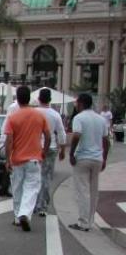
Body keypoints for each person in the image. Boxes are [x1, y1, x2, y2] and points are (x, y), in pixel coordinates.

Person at [4, 86, 51, 232]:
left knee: (17, 187)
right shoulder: (39, 115)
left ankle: (18, 217)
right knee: (31, 188)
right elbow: (48, 136)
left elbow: (9, 140)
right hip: (34, 158)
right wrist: (44, 151)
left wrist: (7, 159)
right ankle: (25, 213)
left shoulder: (13, 117)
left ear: (17, 99)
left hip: (17, 159)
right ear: (29, 98)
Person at [68, 93, 110, 231]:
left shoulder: (79, 118)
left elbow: (77, 135)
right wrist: (104, 157)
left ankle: (83, 221)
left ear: (80, 104)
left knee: (82, 190)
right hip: (97, 158)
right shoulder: (101, 119)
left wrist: (72, 153)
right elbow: (106, 140)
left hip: (83, 158)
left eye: (76, 103)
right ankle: (90, 221)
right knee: (93, 190)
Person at [34, 89, 67, 217]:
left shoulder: (34, 113)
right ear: (50, 100)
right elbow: (61, 133)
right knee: (46, 177)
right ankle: (43, 206)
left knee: (34, 177)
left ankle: (33, 203)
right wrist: (63, 149)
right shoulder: (55, 114)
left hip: (34, 148)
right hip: (51, 148)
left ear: (39, 99)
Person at [0, 100, 20, 197]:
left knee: (9, 165)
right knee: (10, 165)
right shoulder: (14, 107)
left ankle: (4, 188)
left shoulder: (13, 106)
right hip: (12, 138)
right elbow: (9, 121)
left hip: (11, 137)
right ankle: (4, 188)